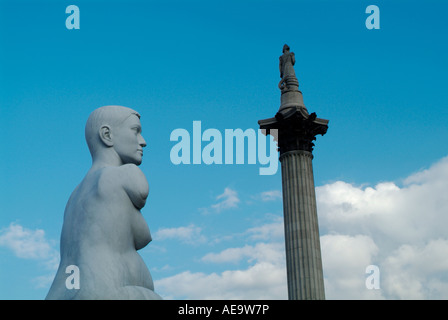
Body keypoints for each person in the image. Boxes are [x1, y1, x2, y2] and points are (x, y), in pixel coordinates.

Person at [46, 105, 162, 300]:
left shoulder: (74, 197)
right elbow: (143, 237)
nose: (143, 142)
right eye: (136, 131)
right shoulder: (126, 174)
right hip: (108, 292)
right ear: (107, 135)